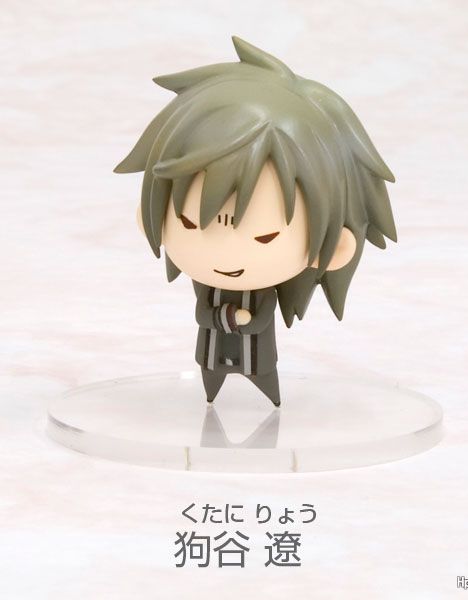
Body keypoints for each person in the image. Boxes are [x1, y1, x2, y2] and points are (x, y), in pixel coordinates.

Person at [114, 37, 397, 406]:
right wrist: (233, 317)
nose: (224, 252)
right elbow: (203, 312)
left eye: (265, 236)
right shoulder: (208, 287)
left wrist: (229, 317)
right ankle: (212, 397)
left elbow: (260, 319)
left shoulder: (259, 290)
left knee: (265, 380)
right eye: (188, 223)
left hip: (257, 354)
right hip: (212, 348)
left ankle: (271, 400)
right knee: (211, 381)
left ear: (335, 246)